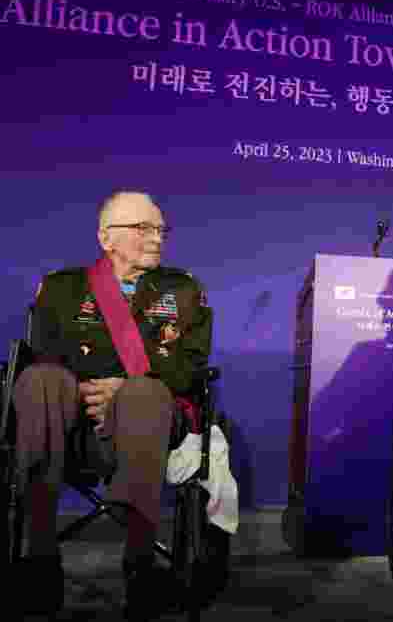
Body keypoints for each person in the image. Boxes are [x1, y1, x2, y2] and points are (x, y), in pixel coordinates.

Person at [12, 191, 211, 620]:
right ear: (106, 237)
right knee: (40, 378)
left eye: (160, 229)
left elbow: (192, 367)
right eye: (143, 228)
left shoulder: (184, 290)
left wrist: (125, 387)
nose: (157, 238)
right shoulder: (63, 287)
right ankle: (41, 558)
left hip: (150, 422)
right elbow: (49, 351)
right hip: (73, 423)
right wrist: (96, 390)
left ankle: (140, 564)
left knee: (144, 394)